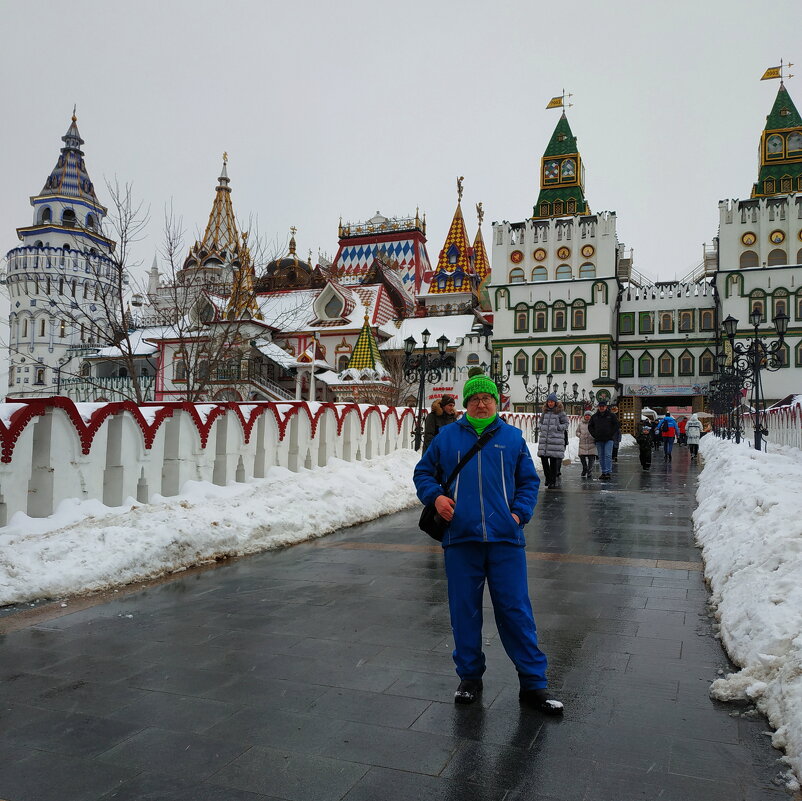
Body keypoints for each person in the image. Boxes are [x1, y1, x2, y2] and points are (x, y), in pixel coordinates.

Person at [413, 373, 563, 715]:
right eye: (475, 398)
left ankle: (533, 683)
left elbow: (528, 481)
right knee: (464, 611)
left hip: (505, 540)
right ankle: (469, 678)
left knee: (515, 610)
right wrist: (435, 497)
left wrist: (517, 515)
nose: (482, 403)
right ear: (466, 403)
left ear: (497, 402)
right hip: (460, 539)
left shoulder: (511, 438)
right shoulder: (447, 437)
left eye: (488, 398)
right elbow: (423, 473)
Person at [537, 393, 569, 489]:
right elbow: (540, 422)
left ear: (555, 402)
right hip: (545, 441)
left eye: (552, 402)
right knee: (544, 460)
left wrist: (558, 427)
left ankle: (552, 481)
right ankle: (548, 478)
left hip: (555, 440)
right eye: (549, 402)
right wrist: (541, 427)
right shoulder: (544, 412)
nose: (550, 403)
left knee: (554, 462)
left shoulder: (560, 413)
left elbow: (566, 423)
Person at [588, 400, 620, 481]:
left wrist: (611, 433)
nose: (601, 408)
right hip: (599, 439)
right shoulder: (594, 416)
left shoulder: (611, 415)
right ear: (598, 407)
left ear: (606, 407)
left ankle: (608, 472)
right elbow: (590, 426)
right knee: (601, 456)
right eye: (600, 406)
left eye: (603, 406)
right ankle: (604, 472)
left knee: (608, 455)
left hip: (609, 439)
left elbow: (617, 425)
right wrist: (594, 434)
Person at [576, 409, 597, 477]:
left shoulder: (594, 423)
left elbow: (597, 431)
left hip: (591, 442)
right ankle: (585, 468)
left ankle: (589, 471)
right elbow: (577, 432)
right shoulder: (580, 424)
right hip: (583, 443)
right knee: (582, 456)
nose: (587, 416)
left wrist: (593, 435)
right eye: (586, 415)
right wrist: (580, 435)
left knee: (591, 457)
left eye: (589, 415)